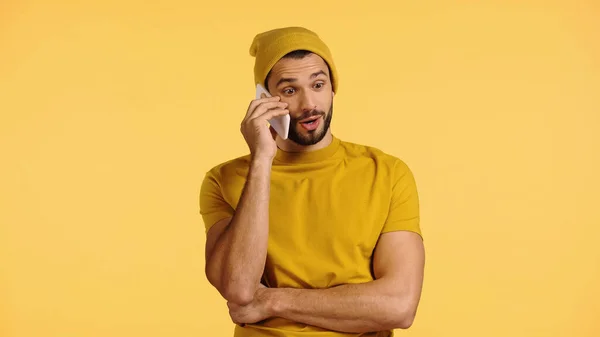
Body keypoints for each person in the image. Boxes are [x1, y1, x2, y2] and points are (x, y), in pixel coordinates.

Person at [199, 26, 425, 337]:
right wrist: (262, 159)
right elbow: (238, 289)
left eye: (318, 84)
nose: (309, 104)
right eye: (290, 90)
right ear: (264, 98)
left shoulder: (387, 173)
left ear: (333, 87)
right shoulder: (224, 180)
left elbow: (398, 306)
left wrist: (270, 301)